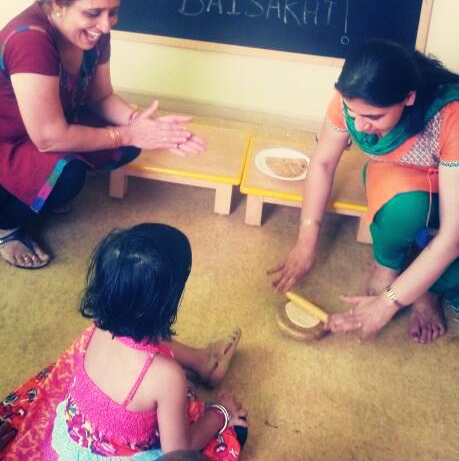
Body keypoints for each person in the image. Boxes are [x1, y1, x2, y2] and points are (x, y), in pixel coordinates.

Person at [0, 0, 205, 269]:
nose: (106, 25)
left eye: (113, 12)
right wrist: (126, 134)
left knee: (130, 144)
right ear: (57, 1)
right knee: (69, 174)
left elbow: (100, 97)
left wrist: (145, 126)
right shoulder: (30, 40)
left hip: (47, 127)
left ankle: (38, 192)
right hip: (10, 141)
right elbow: (49, 137)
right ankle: (6, 227)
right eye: (94, 13)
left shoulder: (93, 34)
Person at [0, 222, 248, 460]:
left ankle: (203, 361)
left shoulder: (98, 327)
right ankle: (205, 368)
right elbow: (178, 452)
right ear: (167, 302)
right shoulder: (167, 377)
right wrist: (220, 412)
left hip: (69, 441)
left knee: (138, 336)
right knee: (226, 437)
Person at [268, 39, 459, 343]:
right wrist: (306, 241)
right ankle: (387, 267)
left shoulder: (451, 117)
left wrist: (387, 303)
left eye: (373, 117)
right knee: (405, 208)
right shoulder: (351, 100)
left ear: (408, 98)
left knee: (450, 263)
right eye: (352, 112)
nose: (358, 126)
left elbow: (452, 238)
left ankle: (427, 290)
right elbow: (322, 164)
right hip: (403, 176)